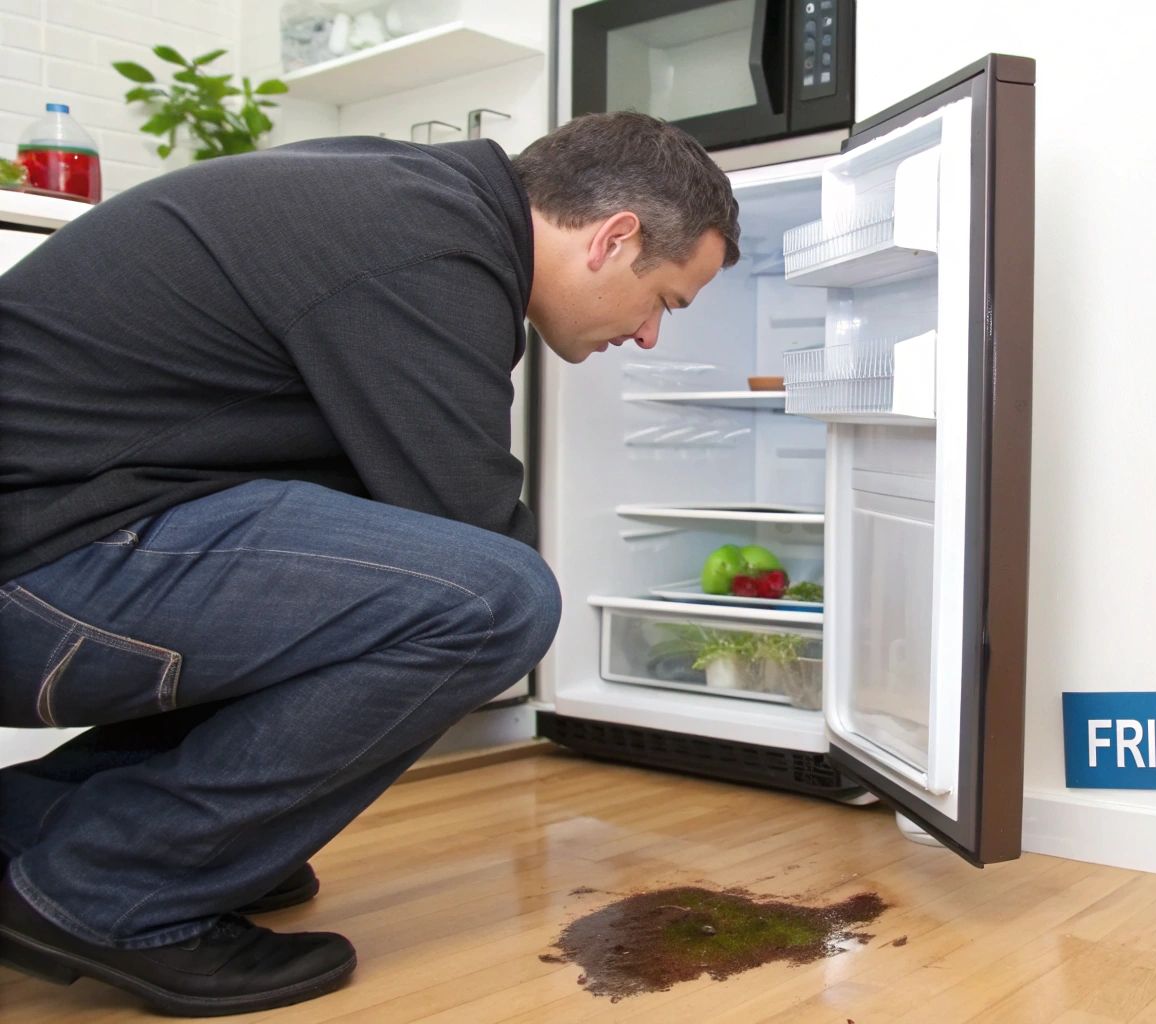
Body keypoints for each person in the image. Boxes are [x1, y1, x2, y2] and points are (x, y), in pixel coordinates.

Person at [0, 111, 739, 1015]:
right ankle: (110, 888)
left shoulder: (413, 200)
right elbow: (470, 543)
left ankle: (35, 835)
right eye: (664, 300)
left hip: (58, 541)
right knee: (496, 601)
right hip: (37, 571)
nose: (650, 334)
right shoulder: (427, 252)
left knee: (391, 578)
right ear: (613, 238)